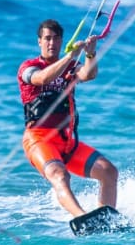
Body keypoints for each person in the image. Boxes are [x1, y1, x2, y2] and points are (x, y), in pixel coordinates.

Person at [17, 18, 118, 219]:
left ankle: (105, 220)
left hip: (67, 142)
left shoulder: (71, 66)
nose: (51, 43)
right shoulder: (28, 67)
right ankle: (82, 218)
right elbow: (42, 78)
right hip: (38, 139)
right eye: (47, 38)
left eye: (55, 39)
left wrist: (89, 53)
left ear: (62, 41)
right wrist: (71, 55)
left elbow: (89, 74)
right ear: (39, 41)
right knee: (59, 174)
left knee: (109, 172)